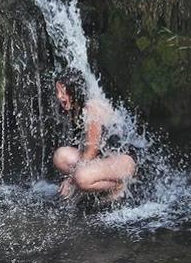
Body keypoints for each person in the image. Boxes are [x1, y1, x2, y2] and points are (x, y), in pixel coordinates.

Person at [52, 70, 136, 201]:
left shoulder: (91, 108)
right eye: (57, 92)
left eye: (62, 92)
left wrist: (71, 180)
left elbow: (91, 151)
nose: (59, 96)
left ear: (74, 90)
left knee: (80, 177)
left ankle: (119, 185)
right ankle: (96, 183)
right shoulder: (76, 109)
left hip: (123, 161)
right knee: (60, 156)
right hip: (103, 159)